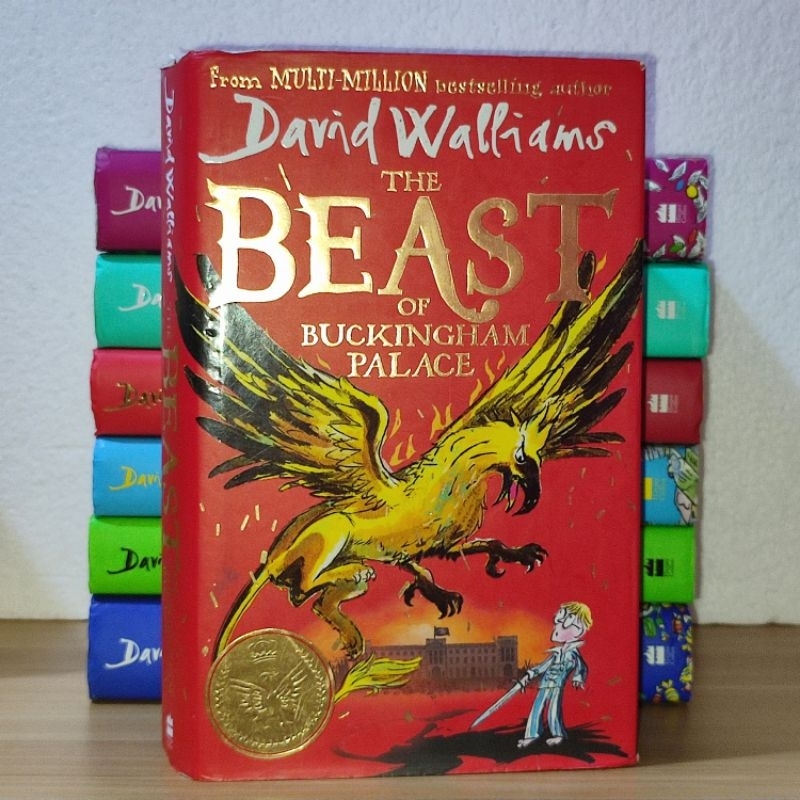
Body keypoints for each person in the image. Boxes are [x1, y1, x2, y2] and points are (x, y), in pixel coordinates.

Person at [517, 601, 592, 748]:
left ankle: (558, 734)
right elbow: (542, 667)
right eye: (557, 623)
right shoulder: (556, 654)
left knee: (553, 710)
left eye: (561, 624)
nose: (556, 628)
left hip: (557, 685)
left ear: (577, 630)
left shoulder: (573, 653)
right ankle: (532, 735)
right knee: (536, 708)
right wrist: (528, 676)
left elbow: (582, 667)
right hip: (545, 684)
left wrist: (578, 677)